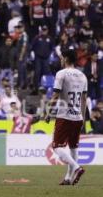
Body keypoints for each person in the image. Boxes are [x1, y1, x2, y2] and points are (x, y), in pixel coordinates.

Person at [45, 49, 87, 185]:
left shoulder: (61, 74)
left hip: (64, 116)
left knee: (56, 146)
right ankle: (68, 178)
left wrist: (48, 112)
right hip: (78, 117)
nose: (61, 60)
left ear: (67, 59)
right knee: (73, 147)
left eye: (62, 58)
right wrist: (83, 118)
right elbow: (84, 100)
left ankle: (76, 168)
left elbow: (56, 95)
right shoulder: (82, 76)